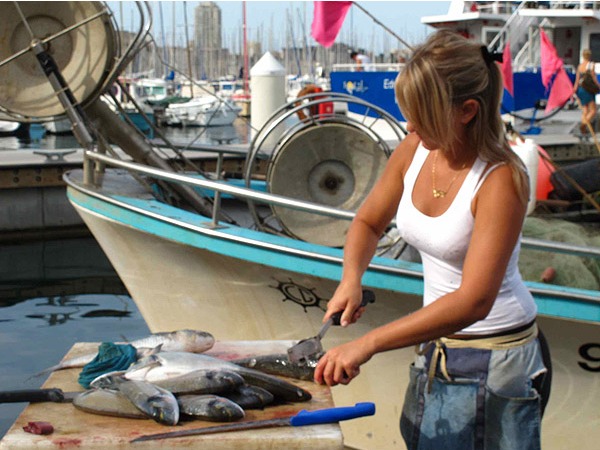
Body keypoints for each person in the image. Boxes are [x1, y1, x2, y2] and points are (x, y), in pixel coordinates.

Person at [314, 30, 550, 450]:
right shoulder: (415, 148)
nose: (410, 125)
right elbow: (368, 222)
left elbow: (473, 301)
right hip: (438, 347)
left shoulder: (500, 180)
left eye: (423, 115)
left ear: (467, 111)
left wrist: (367, 344)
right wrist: (351, 278)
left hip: (498, 360)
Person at [573, 48, 600, 135]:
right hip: (588, 90)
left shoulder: (580, 66)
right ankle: (584, 125)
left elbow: (577, 80)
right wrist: (599, 86)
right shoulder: (591, 65)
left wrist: (574, 90)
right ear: (589, 55)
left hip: (580, 89)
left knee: (585, 109)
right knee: (593, 110)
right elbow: (594, 78)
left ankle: (583, 130)